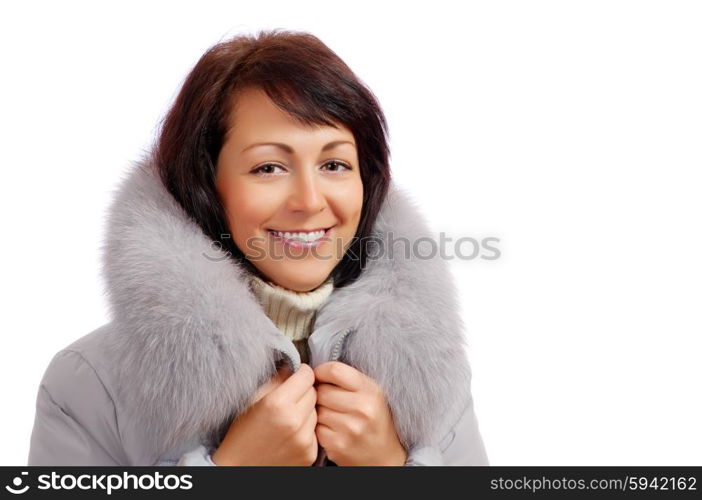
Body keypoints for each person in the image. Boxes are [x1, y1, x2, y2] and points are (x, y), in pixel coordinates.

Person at [27, 29, 489, 466]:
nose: (309, 202)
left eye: (334, 163)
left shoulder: (430, 370)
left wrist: (393, 466)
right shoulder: (89, 382)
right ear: (206, 185)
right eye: (268, 168)